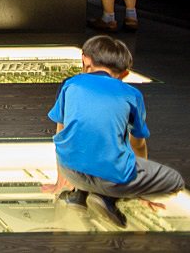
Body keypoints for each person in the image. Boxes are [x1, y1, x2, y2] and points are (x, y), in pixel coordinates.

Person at [46, 35, 185, 227]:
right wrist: (142, 190)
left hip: (70, 170)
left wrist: (61, 177)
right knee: (174, 180)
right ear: (125, 74)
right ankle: (107, 198)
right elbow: (138, 143)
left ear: (85, 61)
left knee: (91, 142)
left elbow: (61, 132)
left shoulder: (70, 84)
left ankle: (79, 195)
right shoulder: (132, 94)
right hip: (110, 177)